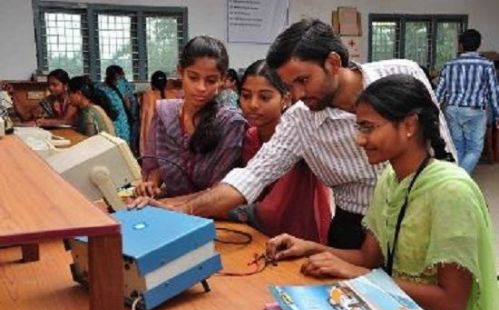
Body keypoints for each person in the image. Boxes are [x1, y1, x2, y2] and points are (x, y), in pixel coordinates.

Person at [129, 19, 455, 249]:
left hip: (421, 217)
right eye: (289, 86)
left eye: (303, 81)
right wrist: (180, 209)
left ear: (332, 62)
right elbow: (251, 177)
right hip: (354, 229)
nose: (296, 95)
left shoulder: (402, 74)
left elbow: (443, 155)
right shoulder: (301, 119)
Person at [265, 74, 499, 310]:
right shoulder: (390, 178)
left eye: (368, 127)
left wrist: (361, 277)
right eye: (359, 127)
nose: (359, 139)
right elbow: (367, 257)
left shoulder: (451, 191)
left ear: (409, 126)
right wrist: (308, 247)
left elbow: (451, 303)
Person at [228, 59, 331, 243]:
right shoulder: (250, 136)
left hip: (299, 235)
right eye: (245, 95)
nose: (253, 104)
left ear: (285, 99)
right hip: (256, 234)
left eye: (264, 97)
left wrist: (235, 210)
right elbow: (248, 190)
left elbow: (274, 207)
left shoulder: (298, 136)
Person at [135, 35, 247, 198]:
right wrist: (150, 186)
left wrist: (175, 204)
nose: (201, 88)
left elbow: (220, 190)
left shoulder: (230, 124)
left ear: (222, 80)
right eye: (193, 78)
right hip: (171, 211)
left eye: (210, 80)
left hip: (216, 217)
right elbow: (158, 168)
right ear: (181, 73)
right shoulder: (164, 114)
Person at [436, 29, 499, 173]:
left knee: (458, 147)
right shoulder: (487, 65)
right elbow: (494, 93)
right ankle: (457, 180)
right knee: (475, 149)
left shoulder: (449, 65)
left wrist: (434, 110)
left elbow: (439, 93)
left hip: (452, 110)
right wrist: (497, 115)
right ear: (479, 45)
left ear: (461, 45)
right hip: (475, 111)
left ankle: (456, 178)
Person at [96, 65, 135, 148]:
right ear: (118, 75)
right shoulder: (122, 83)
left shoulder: (99, 87)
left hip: (108, 120)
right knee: (124, 145)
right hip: (122, 119)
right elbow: (128, 101)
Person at [140, 70, 168, 156]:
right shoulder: (171, 94)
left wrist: (144, 144)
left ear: (152, 83)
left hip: (153, 136)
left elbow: (147, 118)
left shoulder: (148, 95)